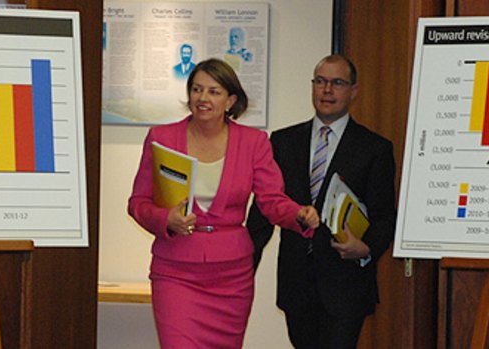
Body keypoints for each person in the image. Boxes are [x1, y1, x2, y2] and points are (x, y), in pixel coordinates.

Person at [128, 58, 320, 349]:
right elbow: (138, 202)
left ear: (231, 101)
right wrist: (165, 219)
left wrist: (299, 214)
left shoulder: (253, 142)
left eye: (214, 91)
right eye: (196, 89)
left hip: (231, 277)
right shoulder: (162, 137)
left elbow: (271, 201)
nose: (203, 98)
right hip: (176, 272)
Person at [247, 54, 397, 349]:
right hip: (296, 284)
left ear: (353, 91)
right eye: (320, 81)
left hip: (346, 284)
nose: (327, 90)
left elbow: (384, 216)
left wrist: (366, 249)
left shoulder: (375, 148)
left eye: (337, 83)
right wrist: (242, 268)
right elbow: (263, 212)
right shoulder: (282, 142)